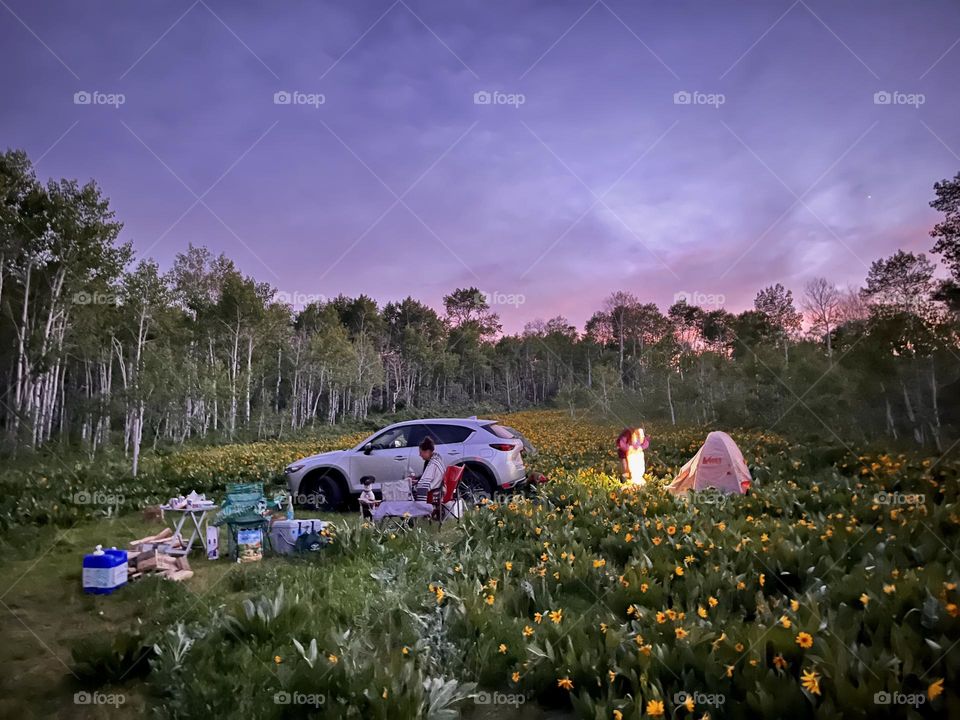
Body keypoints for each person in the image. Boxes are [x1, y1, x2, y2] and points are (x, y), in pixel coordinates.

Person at [411, 437, 446, 501]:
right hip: (438, 487)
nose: (420, 455)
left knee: (409, 491)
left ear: (427, 451)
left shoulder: (433, 464)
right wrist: (417, 479)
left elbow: (426, 483)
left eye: (421, 452)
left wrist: (416, 483)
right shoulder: (434, 459)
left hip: (434, 491)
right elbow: (428, 477)